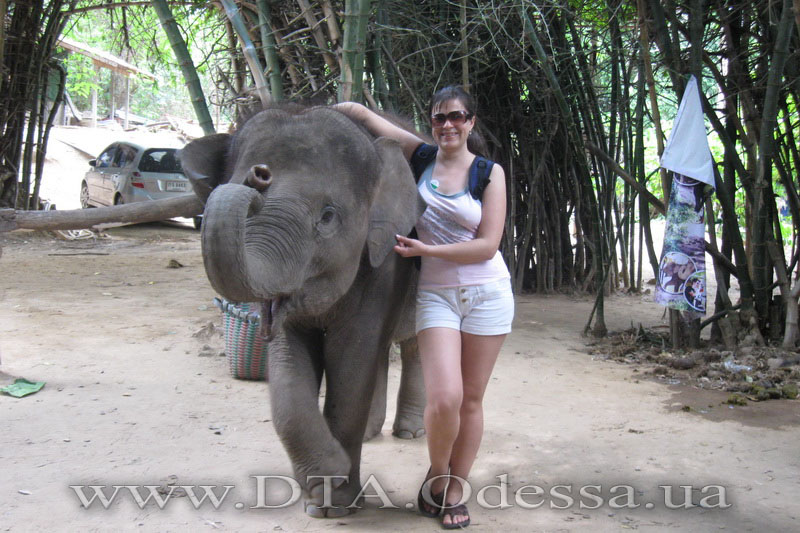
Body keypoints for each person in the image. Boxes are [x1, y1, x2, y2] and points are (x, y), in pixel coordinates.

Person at [335, 86, 514, 529]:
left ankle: (456, 488)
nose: (448, 125)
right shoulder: (421, 158)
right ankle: (437, 473)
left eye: (457, 117)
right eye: (439, 118)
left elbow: (488, 246)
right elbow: (372, 120)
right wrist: (337, 110)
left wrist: (426, 252)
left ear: (471, 122)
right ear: (432, 123)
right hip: (436, 297)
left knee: (470, 400)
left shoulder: (490, 174)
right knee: (444, 398)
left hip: (488, 294)